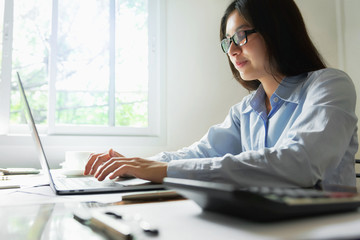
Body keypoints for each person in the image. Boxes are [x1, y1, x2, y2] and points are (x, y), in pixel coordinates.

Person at [84, 0, 358, 189]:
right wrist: (135, 164)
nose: (232, 50)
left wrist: (161, 170)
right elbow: (199, 154)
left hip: (325, 225)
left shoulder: (329, 85)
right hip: (265, 222)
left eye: (241, 36)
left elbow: (299, 163)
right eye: (228, 42)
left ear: (278, 30)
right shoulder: (246, 110)